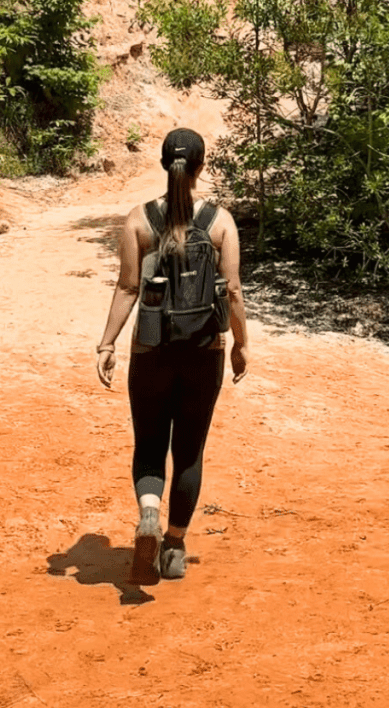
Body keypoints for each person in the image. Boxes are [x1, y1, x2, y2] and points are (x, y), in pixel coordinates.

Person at [95, 128, 250, 584]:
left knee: (148, 444)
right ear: (200, 166)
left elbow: (126, 287)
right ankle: (175, 545)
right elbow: (234, 292)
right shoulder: (220, 222)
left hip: (150, 350)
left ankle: (148, 512)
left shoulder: (139, 221)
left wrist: (106, 344)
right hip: (204, 351)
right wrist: (241, 345)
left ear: (165, 165)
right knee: (188, 451)